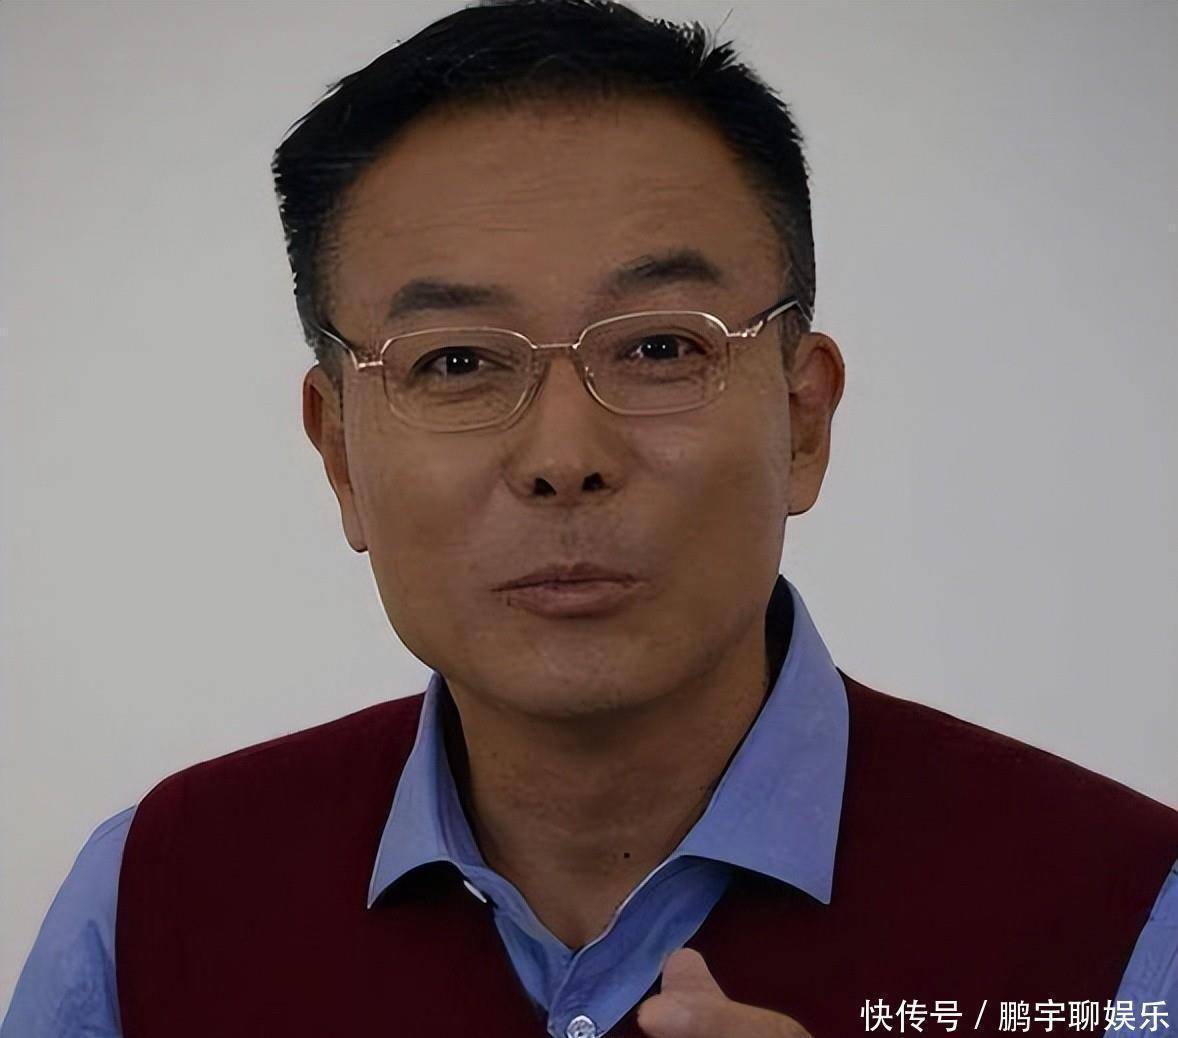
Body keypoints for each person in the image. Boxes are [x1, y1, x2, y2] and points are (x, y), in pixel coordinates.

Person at [4, 1, 1176, 1036]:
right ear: (340, 454)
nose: (564, 459)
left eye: (660, 347)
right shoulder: (154, 899)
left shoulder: (1126, 915)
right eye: (455, 361)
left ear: (802, 420)